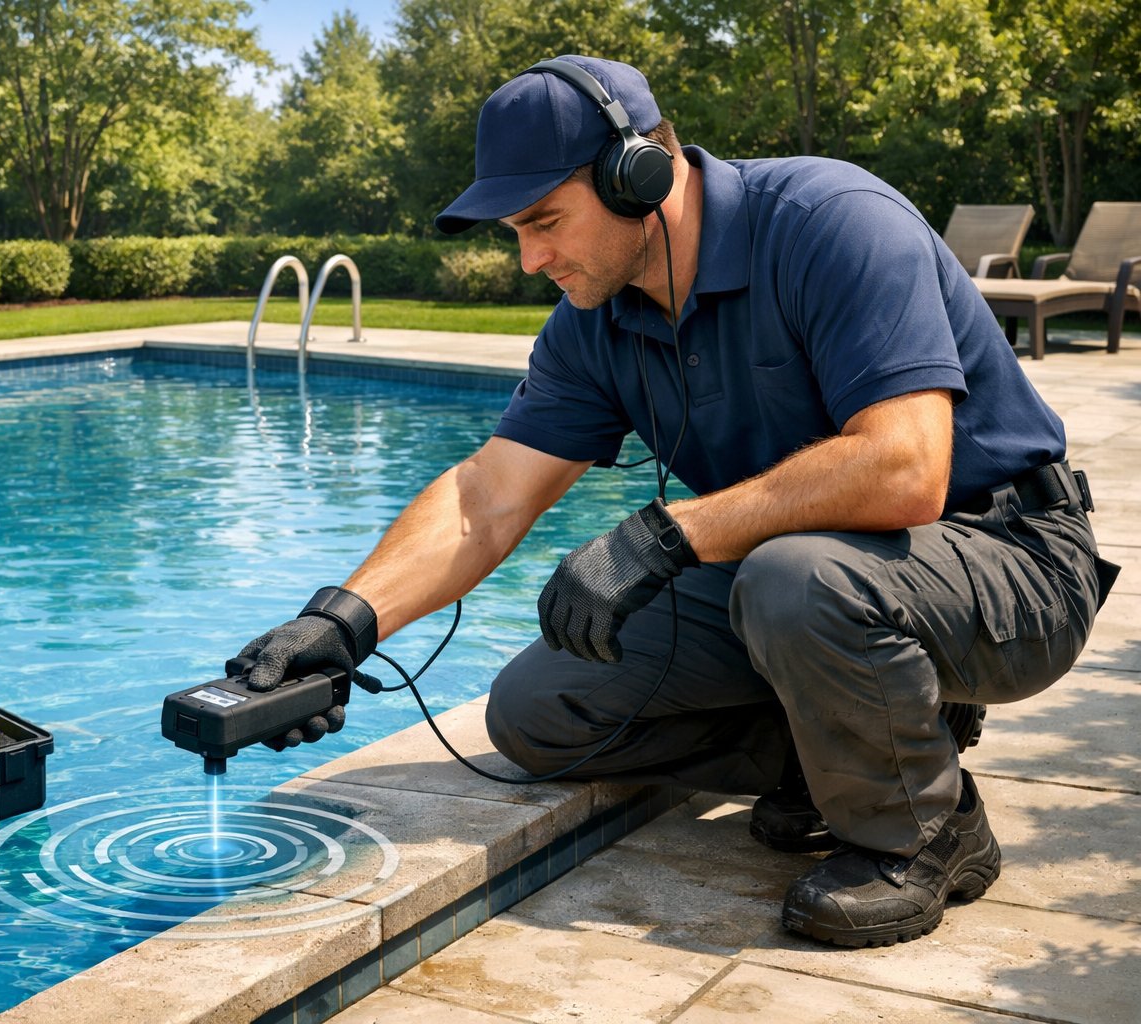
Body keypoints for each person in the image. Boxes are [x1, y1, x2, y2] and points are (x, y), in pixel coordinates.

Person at [230, 55, 1118, 948]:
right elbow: (485, 496)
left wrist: (664, 535)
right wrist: (345, 622)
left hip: (1013, 558)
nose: (531, 258)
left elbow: (904, 469)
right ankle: (852, 745)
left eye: (544, 221)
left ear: (638, 175)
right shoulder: (596, 321)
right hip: (816, 587)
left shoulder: (833, 223)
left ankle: (926, 835)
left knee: (791, 575)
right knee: (539, 712)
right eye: (515, 231)